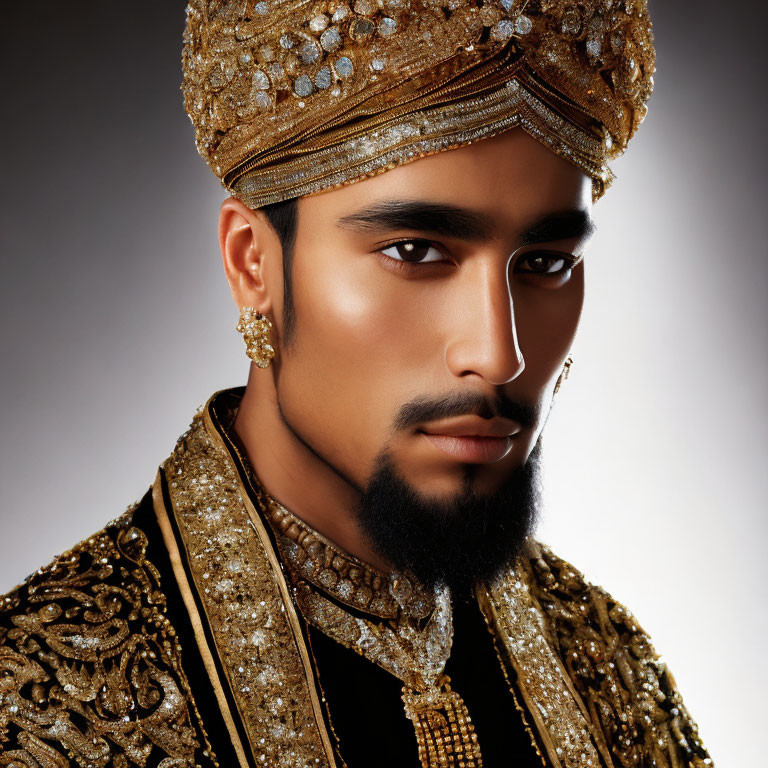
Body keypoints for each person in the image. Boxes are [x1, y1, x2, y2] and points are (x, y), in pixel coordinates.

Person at [0, 1, 713, 766]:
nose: (498, 354)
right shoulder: (45, 705)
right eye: (416, 251)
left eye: (544, 265)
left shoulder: (609, 673)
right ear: (253, 264)